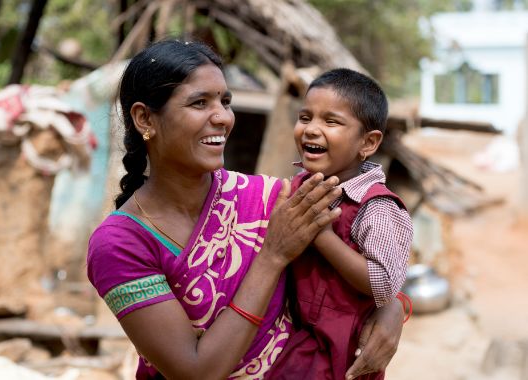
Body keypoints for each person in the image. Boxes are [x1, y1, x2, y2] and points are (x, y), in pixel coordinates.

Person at [87, 40, 405, 380]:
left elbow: (370, 263)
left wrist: (394, 308)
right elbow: (196, 372)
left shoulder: (267, 198)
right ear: (144, 118)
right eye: (199, 103)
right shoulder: (119, 245)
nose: (223, 118)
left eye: (225, 102)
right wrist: (271, 257)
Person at [267, 68, 414, 380]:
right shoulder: (299, 186)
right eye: (305, 117)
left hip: (341, 355)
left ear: (369, 142)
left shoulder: (376, 207)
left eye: (330, 121)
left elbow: (385, 284)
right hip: (297, 341)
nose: (310, 129)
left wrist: (321, 234)